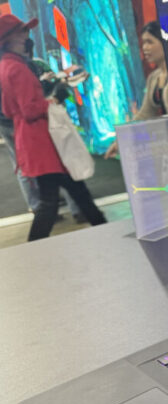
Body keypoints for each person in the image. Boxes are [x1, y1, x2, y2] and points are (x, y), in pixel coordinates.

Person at [0, 14, 106, 241]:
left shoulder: (7, 66)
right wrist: (55, 99)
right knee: (55, 199)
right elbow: (30, 109)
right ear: (10, 38)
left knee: (71, 192)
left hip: (33, 141)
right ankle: (35, 247)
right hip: (41, 142)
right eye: (22, 31)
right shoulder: (17, 68)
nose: (27, 35)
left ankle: (102, 228)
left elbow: (9, 109)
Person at [104, 21, 168, 159]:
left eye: (150, 42)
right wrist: (121, 142)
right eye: (143, 43)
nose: (145, 48)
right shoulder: (154, 78)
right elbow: (144, 114)